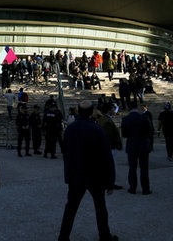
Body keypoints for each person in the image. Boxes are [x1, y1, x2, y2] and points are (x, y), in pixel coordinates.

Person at [58, 100, 118, 241]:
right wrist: (110, 181)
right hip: (94, 175)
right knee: (100, 207)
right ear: (92, 112)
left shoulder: (70, 129)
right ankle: (104, 235)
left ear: (78, 111)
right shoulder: (97, 130)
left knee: (71, 208)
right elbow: (107, 157)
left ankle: (63, 236)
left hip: (76, 175)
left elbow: (65, 152)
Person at [121, 101, 153, 195]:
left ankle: (133, 188)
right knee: (144, 168)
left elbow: (124, 134)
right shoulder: (144, 117)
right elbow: (149, 130)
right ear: (137, 107)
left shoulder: (125, 119)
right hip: (143, 144)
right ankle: (145, 189)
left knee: (132, 168)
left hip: (132, 145)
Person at [96, 103, 123, 190]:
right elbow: (109, 136)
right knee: (110, 165)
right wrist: (117, 144)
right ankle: (110, 183)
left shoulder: (103, 119)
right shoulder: (106, 120)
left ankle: (105, 182)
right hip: (110, 147)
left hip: (106, 147)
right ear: (109, 109)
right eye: (112, 108)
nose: (114, 110)